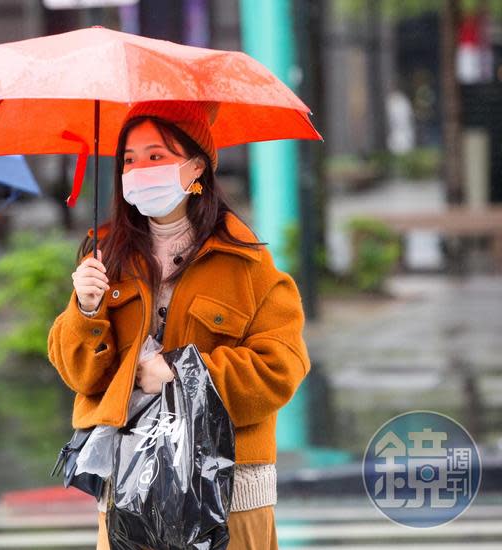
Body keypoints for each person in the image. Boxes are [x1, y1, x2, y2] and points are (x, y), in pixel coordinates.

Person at [47, 101, 311, 550]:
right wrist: (87, 311)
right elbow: (79, 374)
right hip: (128, 491)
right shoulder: (104, 256)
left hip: (228, 496)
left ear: (195, 169)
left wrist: (181, 374)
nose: (139, 170)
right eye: (129, 160)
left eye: (156, 156)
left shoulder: (246, 263)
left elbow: (280, 367)